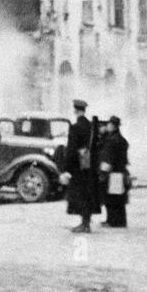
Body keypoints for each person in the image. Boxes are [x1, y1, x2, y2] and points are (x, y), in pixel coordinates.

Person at [60, 99, 100, 233]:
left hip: (78, 166)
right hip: (90, 165)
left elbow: (71, 149)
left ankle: (84, 224)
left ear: (75, 110)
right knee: (88, 194)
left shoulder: (75, 127)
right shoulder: (91, 126)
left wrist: (66, 168)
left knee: (79, 195)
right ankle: (86, 222)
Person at [99, 116, 130, 228]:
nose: (107, 126)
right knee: (119, 198)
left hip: (112, 173)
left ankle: (112, 221)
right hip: (121, 171)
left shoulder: (111, 140)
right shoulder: (121, 139)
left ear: (113, 126)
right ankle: (121, 221)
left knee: (111, 198)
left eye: (108, 125)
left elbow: (108, 158)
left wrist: (103, 172)